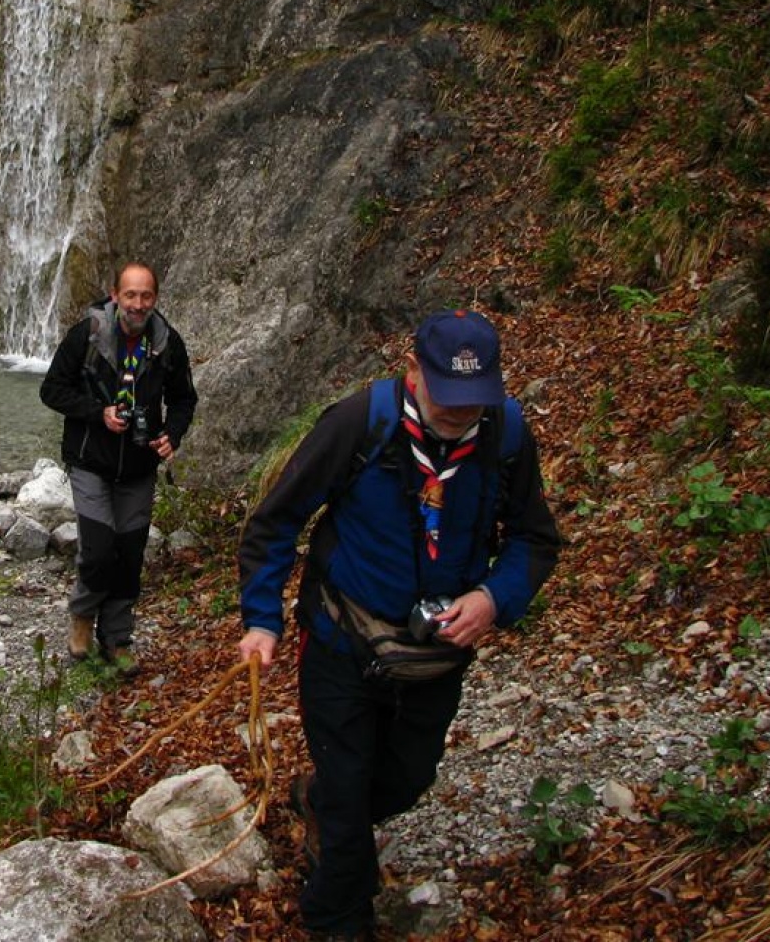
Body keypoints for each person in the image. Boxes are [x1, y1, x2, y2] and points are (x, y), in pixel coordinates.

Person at [237, 308, 561, 942]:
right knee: (351, 792)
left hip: (435, 655)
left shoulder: (505, 435)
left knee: (409, 778)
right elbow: (276, 521)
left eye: (475, 399)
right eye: (448, 397)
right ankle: (337, 918)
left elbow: (534, 539)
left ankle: (321, 801)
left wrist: (494, 598)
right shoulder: (359, 423)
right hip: (340, 639)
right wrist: (261, 619)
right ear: (412, 369)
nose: (460, 412)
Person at [40, 262, 198, 677]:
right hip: (90, 461)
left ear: (155, 299)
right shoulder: (87, 335)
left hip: (139, 467)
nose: (138, 304)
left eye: (146, 296)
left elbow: (184, 399)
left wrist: (173, 434)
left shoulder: (166, 343)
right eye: (131, 295)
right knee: (97, 550)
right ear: (115, 295)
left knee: (129, 554)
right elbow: (52, 390)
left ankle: (118, 638)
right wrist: (98, 413)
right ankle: (81, 618)